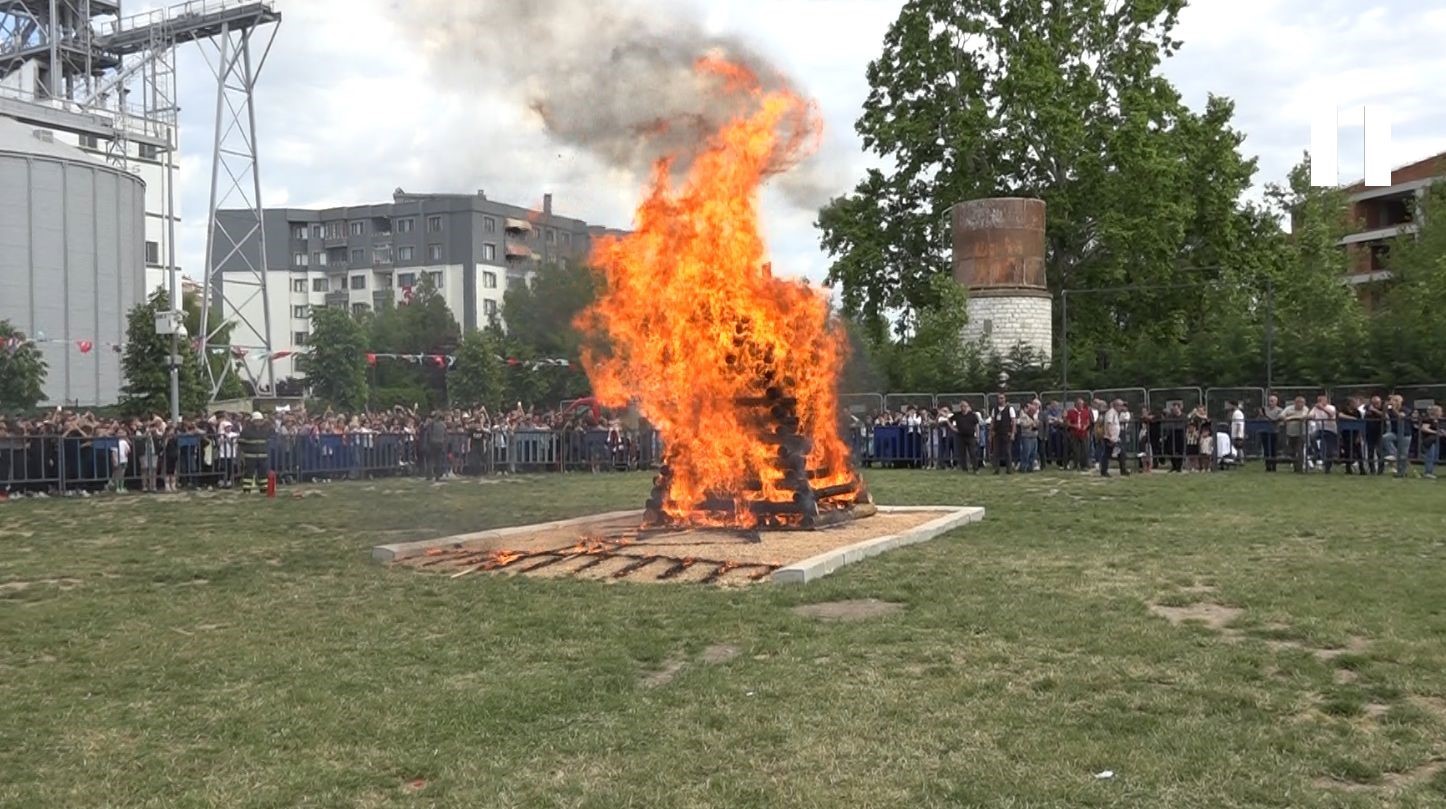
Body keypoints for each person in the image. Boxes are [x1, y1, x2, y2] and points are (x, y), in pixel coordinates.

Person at [238, 412, 271, 494]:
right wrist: (243, 453)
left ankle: (264, 489)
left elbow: (268, 442)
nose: (258, 422)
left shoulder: (265, 431)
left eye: (260, 421)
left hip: (262, 456)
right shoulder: (246, 431)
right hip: (250, 456)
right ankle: (247, 489)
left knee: (263, 473)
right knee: (249, 473)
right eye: (257, 421)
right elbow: (241, 443)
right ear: (252, 421)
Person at [1099, 399, 1130, 477]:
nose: (1122, 408)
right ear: (1116, 405)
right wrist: (1110, 436)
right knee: (1107, 454)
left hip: (1115, 438)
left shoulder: (1115, 413)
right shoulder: (1111, 413)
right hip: (1110, 438)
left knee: (1121, 453)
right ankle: (1104, 471)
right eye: (1121, 406)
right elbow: (1108, 425)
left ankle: (1123, 470)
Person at [1310, 395, 1339, 474]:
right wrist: (1307, 417)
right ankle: (1317, 453)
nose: (1319, 402)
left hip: (1330, 430)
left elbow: (1331, 415)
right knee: (1312, 437)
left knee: (1329, 450)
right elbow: (1311, 415)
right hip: (1320, 429)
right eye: (1318, 400)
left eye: (1321, 400)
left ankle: (1327, 468)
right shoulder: (1315, 408)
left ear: (1326, 401)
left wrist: (1322, 408)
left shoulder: (1331, 407)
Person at [989, 393, 1017, 474]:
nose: (1000, 400)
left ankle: (1009, 469)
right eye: (999, 398)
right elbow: (993, 421)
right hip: (997, 433)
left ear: (1005, 399)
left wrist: (1013, 433)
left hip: (1007, 433)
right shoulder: (994, 409)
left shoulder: (1010, 409)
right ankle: (996, 469)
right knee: (996, 452)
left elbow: (1013, 421)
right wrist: (990, 432)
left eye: (1002, 398)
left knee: (1007, 452)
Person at [1282, 396, 1310, 473]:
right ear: (1295, 403)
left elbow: (1303, 417)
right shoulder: (1288, 408)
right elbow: (1282, 416)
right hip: (1290, 433)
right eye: (1299, 403)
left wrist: (1290, 418)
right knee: (1291, 451)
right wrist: (1285, 418)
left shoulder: (1305, 409)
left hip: (1301, 433)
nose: (1301, 404)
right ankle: (1295, 466)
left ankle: (1299, 468)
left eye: (1303, 403)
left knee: (1299, 450)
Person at [951, 402, 980, 473]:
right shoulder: (957, 415)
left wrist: (977, 435)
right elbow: (949, 420)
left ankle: (975, 468)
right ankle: (964, 468)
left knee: (972, 453)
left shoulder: (972, 415)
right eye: (962, 406)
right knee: (962, 453)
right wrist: (953, 428)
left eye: (965, 406)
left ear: (967, 407)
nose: (963, 408)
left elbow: (976, 425)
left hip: (971, 436)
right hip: (961, 436)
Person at [1066, 398, 1092, 471]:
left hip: (1083, 433)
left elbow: (1088, 422)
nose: (1081, 405)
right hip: (1074, 433)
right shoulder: (1071, 412)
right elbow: (1068, 423)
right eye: (1079, 404)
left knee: (1085, 450)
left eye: (1082, 404)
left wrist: (1085, 426)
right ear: (1076, 405)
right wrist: (1074, 425)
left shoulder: (1086, 412)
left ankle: (1084, 465)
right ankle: (1076, 464)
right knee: (1076, 450)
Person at [1261, 395, 1284, 472]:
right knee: (1266, 449)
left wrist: (1266, 416)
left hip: (1274, 432)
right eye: (1269, 401)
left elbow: (1277, 420)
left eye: (1272, 401)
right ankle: (1268, 466)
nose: (1270, 402)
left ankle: (1274, 466)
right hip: (1265, 432)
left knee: (1274, 449)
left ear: (1276, 402)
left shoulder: (1279, 410)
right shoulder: (1264, 409)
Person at [1017, 402, 1040, 473]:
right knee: (1026, 453)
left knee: (1033, 453)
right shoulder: (1024, 416)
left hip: (1034, 437)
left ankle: (1030, 467)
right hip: (1027, 437)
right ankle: (1023, 467)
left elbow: (1037, 424)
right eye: (1032, 410)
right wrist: (1031, 423)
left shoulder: (1034, 417)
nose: (1034, 412)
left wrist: (1037, 424)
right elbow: (1023, 425)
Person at [425, 411, 449, 481]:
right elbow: (445, 435)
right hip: (440, 443)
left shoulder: (432, 424)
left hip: (433, 442)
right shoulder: (444, 425)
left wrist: (429, 441)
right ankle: (438, 476)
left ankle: (429, 475)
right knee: (438, 460)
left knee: (431, 459)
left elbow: (429, 432)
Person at [1420, 405, 1441, 480]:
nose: (1441, 413)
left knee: (1434, 456)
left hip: (1435, 440)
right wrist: (1435, 432)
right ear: (1436, 412)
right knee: (1430, 456)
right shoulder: (1428, 419)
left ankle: (1431, 471)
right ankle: (1428, 472)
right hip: (1428, 440)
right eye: (1440, 411)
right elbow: (1424, 428)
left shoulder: (1437, 420)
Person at [1229, 401, 1246, 466]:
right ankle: (1238, 459)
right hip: (1236, 433)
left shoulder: (1237, 413)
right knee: (1237, 447)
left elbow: (1239, 423)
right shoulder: (1235, 413)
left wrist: (1238, 433)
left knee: (1238, 447)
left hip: (1237, 433)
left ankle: (1241, 460)